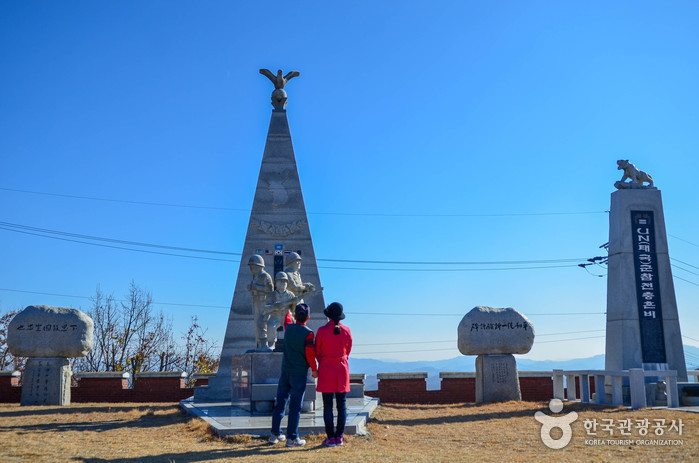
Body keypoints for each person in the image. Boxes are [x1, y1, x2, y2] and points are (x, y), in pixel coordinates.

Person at [269, 303, 318, 447]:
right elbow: (310, 354)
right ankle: (292, 438)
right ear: (308, 318)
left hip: (285, 372)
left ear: (296, 316)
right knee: (295, 406)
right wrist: (314, 370)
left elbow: (287, 320)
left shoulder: (288, 328)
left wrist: (288, 311)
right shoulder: (308, 333)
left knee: (280, 403)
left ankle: (275, 434)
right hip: (299, 373)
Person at [315, 302, 353, 447]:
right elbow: (348, 350)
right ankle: (339, 437)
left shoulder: (322, 331)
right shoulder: (347, 331)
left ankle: (330, 437)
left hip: (326, 369)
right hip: (342, 369)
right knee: (342, 405)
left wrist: (323, 361)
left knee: (327, 406)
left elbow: (318, 351)